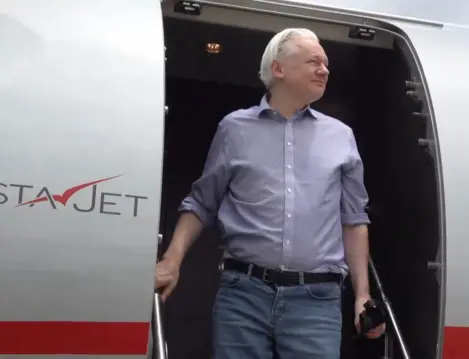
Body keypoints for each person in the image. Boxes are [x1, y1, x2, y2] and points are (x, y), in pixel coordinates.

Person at [155, 27, 385, 359]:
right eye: (313, 61)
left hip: (316, 301)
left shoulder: (341, 137)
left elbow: (353, 220)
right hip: (243, 295)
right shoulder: (234, 128)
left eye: (327, 64)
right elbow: (202, 202)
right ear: (278, 69)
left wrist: (363, 294)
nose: (325, 70)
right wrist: (171, 261)